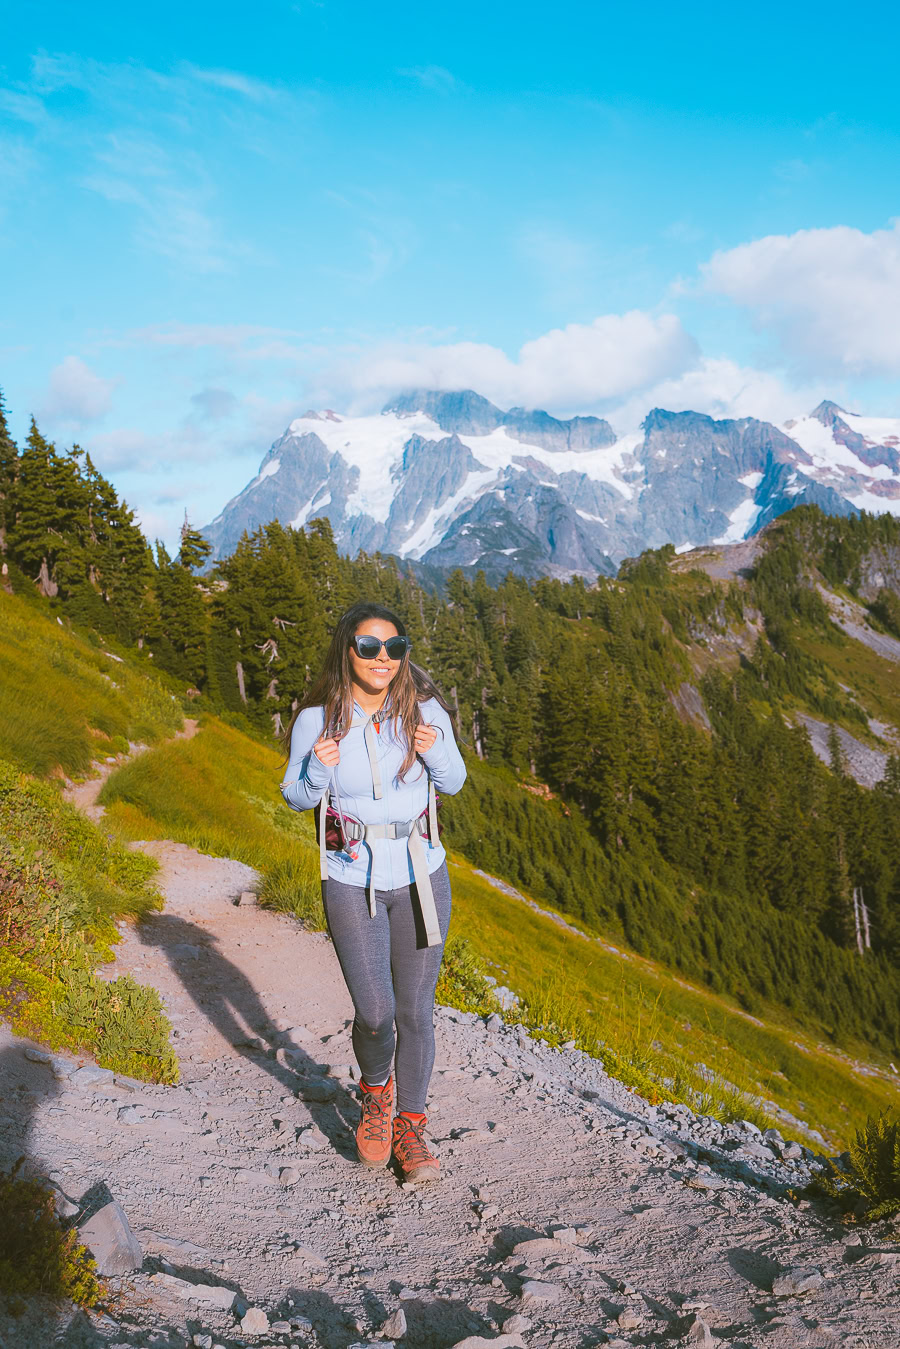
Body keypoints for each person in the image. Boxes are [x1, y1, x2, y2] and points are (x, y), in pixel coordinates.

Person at [279, 601, 467, 1182]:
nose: (382, 658)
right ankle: (376, 1094)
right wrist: (315, 767)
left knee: (415, 1011)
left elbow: (454, 781)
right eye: (368, 646)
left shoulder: (425, 710)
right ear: (347, 649)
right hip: (349, 874)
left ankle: (410, 1125)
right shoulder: (318, 718)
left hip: (420, 873)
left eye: (394, 647)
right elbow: (295, 796)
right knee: (376, 1011)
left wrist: (433, 748)